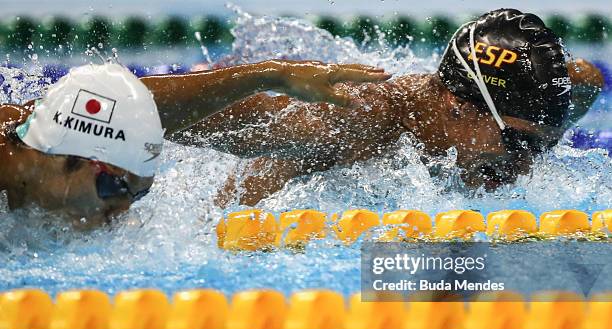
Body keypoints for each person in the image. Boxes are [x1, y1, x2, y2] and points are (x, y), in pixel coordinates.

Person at [173, 9, 604, 207]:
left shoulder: (551, 102)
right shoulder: (352, 119)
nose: (527, 166)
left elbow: (586, 79)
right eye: (517, 141)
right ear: (456, 105)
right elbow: (183, 119)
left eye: (544, 146)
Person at [0, 60, 389, 225]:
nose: (121, 214)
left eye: (138, 194)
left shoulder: (50, 130)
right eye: (113, 187)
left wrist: (271, 75)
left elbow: (124, 105)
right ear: (70, 158)